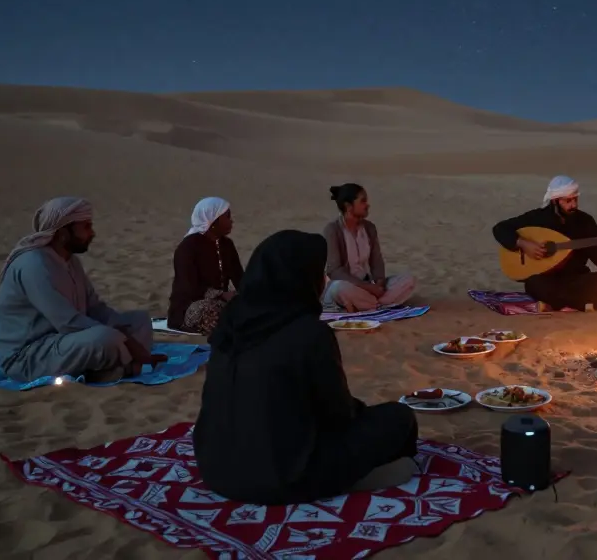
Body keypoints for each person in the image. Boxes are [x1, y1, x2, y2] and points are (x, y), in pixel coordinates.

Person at [194, 230, 420, 504]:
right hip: (283, 477)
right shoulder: (307, 333)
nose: (323, 281)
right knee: (399, 418)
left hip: (215, 468)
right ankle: (364, 479)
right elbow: (337, 415)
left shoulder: (231, 323)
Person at [0, 197, 160, 383]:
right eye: (86, 227)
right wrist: (127, 341)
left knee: (139, 321)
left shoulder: (70, 261)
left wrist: (122, 329)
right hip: (31, 356)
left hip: (66, 343)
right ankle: (119, 367)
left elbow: (95, 308)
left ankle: (112, 368)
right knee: (107, 338)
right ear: (63, 232)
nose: (93, 233)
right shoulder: (34, 265)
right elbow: (68, 323)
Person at [491, 175, 597, 311]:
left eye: (575, 199)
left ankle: (562, 305)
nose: (573, 205)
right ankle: (583, 304)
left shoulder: (585, 221)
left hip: (577, 279)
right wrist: (524, 244)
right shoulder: (537, 218)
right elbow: (500, 229)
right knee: (534, 284)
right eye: (568, 201)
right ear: (555, 201)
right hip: (549, 281)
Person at [321, 183, 417, 311]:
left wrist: (379, 284)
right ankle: (377, 304)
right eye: (363, 201)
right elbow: (335, 271)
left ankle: (368, 304)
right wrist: (368, 288)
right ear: (348, 206)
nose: (367, 205)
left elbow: (376, 261)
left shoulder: (369, 228)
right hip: (348, 286)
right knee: (339, 288)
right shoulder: (333, 230)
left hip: (368, 288)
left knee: (408, 280)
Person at [167, 197, 245, 335]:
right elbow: (189, 287)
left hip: (221, 303)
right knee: (212, 311)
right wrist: (221, 295)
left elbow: (239, 277)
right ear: (213, 221)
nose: (231, 221)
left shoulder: (227, 245)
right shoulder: (188, 247)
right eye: (227, 217)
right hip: (190, 306)